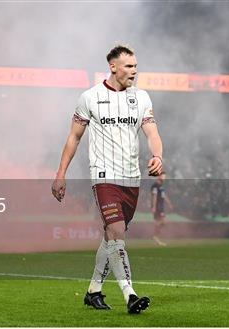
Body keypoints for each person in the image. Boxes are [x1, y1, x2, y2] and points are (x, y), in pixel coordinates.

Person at [51, 45, 163, 314]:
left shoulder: (142, 98)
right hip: (103, 177)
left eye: (136, 66)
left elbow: (152, 132)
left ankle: (93, 291)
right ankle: (130, 295)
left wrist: (157, 155)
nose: (134, 71)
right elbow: (74, 138)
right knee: (117, 232)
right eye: (128, 66)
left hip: (131, 178)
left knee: (111, 238)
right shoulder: (90, 97)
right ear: (113, 66)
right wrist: (60, 174)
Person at [151, 172, 173, 246]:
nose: (164, 178)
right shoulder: (155, 186)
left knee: (161, 222)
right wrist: (154, 206)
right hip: (158, 206)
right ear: (159, 176)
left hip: (161, 206)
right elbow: (154, 196)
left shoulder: (161, 186)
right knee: (162, 221)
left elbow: (164, 196)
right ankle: (155, 237)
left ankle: (156, 238)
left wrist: (169, 203)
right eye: (163, 176)